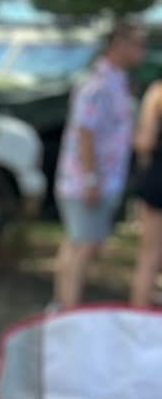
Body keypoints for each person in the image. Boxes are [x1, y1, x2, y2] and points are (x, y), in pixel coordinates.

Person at [53, 19, 145, 310]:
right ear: (118, 45)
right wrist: (91, 178)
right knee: (82, 244)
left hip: (106, 177)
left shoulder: (118, 83)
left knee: (83, 242)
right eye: (137, 44)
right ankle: (68, 307)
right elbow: (85, 132)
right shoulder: (96, 85)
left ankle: (64, 302)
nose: (141, 52)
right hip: (86, 180)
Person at [130, 68, 162, 308]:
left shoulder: (157, 93)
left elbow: (144, 142)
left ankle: (140, 320)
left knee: (149, 256)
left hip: (158, 180)